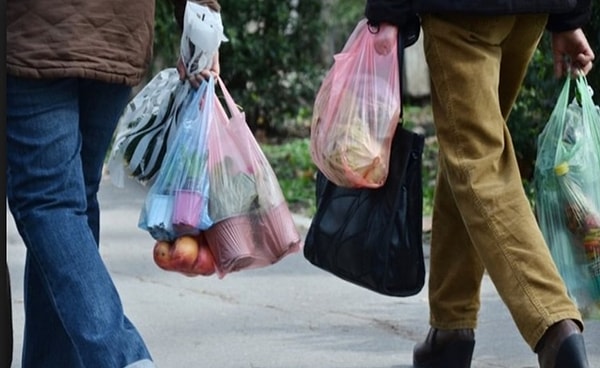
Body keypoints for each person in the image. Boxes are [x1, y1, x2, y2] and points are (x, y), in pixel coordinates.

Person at [364, 1, 595, 367]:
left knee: (477, 164)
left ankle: (553, 324)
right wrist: (568, 15)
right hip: (528, 12)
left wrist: (387, 10)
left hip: (462, 13)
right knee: (468, 150)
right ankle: (450, 328)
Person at [6, 0, 219, 366]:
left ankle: (123, 358)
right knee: (73, 204)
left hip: (32, 32)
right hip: (118, 30)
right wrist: (202, 21)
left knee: (50, 202)